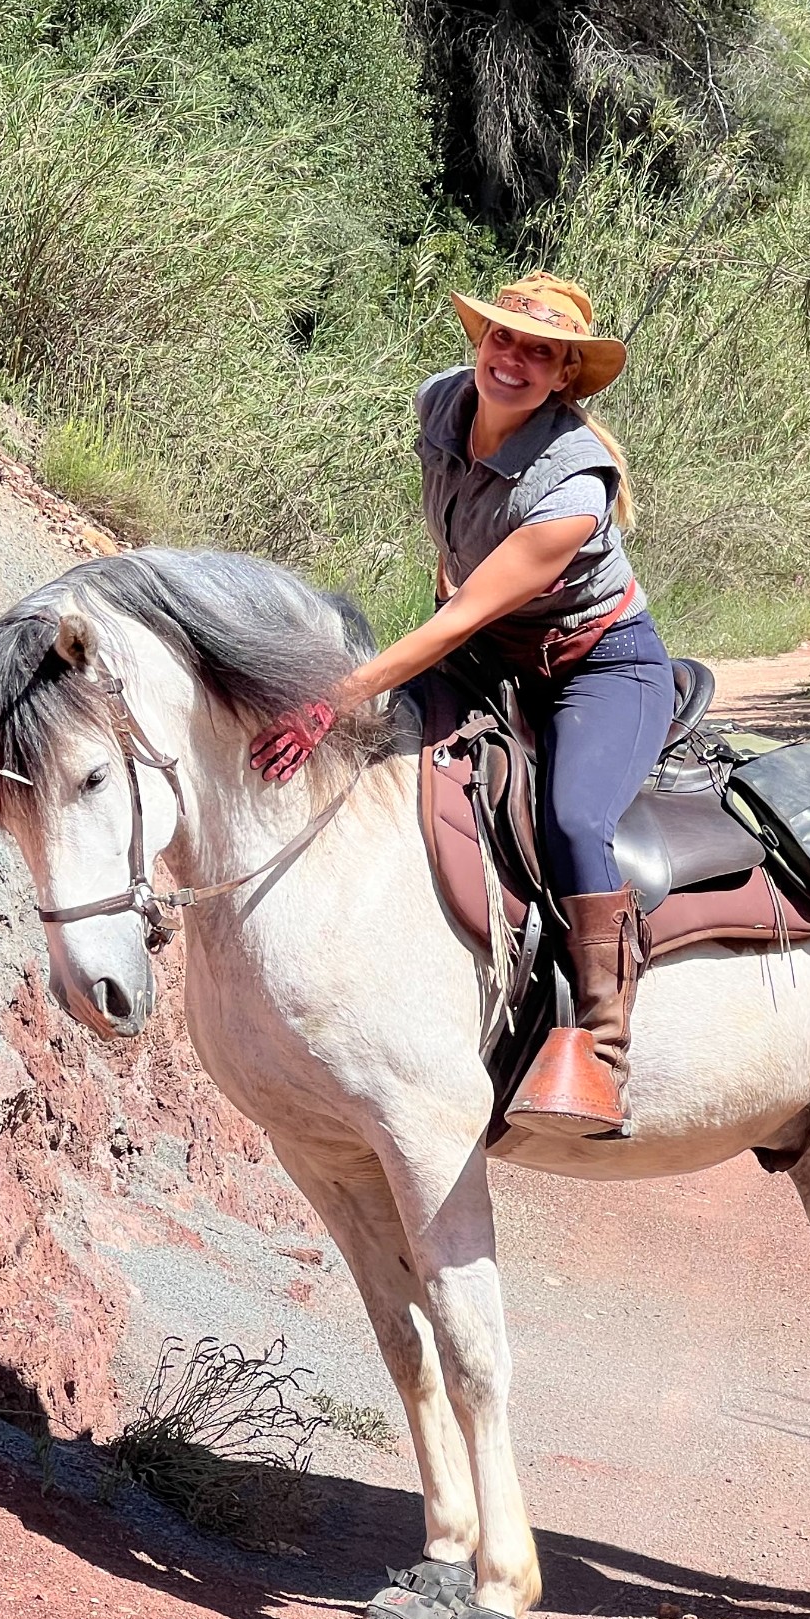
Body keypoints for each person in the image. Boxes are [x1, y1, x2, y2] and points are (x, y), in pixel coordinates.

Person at [249, 272, 673, 1137]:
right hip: (488, 644)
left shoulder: (573, 489)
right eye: (502, 340)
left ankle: (601, 1049)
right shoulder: (440, 405)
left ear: (563, 376)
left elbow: (466, 612)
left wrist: (327, 700)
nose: (512, 360)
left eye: (539, 353)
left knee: (571, 819)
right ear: (480, 343)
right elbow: (456, 554)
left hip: (600, 667)